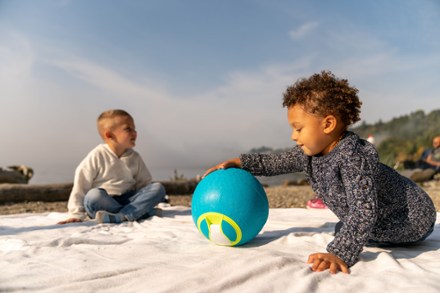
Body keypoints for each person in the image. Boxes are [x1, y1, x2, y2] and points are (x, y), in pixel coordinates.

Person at [203, 71, 436, 274]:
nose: (294, 136)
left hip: (411, 218)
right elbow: (275, 163)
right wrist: (240, 161)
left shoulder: (353, 158)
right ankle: (357, 232)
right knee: (346, 227)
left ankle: (364, 236)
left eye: (298, 128)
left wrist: (340, 253)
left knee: (352, 228)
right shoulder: (309, 154)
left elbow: (364, 212)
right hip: (381, 213)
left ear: (327, 125)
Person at [58, 109, 166, 225]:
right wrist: (76, 214)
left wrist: (146, 200)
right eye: (128, 129)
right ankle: (138, 213)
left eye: (134, 129)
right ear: (109, 135)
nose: (134, 133)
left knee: (158, 188)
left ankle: (121, 216)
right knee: (93, 196)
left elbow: (144, 185)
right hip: (104, 202)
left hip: (128, 201)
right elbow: (81, 187)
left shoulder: (135, 157)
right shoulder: (97, 155)